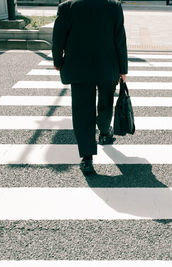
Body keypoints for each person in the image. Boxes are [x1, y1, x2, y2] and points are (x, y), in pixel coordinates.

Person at [52, 0, 128, 174]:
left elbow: (58, 37)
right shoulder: (113, 6)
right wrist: (123, 68)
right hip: (107, 66)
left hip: (78, 68)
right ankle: (104, 131)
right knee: (106, 102)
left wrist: (57, 61)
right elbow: (120, 39)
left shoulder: (67, 7)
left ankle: (86, 158)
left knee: (82, 111)